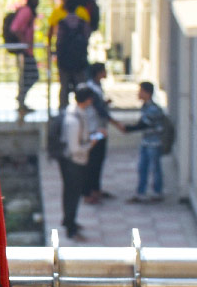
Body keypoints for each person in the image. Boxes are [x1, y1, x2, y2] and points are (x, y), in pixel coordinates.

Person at [59, 87, 101, 241]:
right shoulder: (73, 120)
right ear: (88, 100)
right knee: (72, 194)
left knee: (73, 194)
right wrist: (91, 144)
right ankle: (70, 229)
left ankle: (70, 221)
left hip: (78, 160)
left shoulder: (79, 113)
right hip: (72, 162)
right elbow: (74, 149)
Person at [46, 0, 93, 111]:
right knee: (80, 85)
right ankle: (82, 109)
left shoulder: (62, 22)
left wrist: (52, 49)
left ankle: (63, 111)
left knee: (64, 86)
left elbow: (55, 37)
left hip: (64, 59)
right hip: (79, 59)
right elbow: (87, 35)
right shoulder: (82, 19)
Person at [124, 81, 169, 202]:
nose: (138, 94)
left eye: (140, 91)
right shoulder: (146, 107)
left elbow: (144, 124)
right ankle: (141, 192)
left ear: (147, 93)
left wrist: (127, 129)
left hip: (154, 143)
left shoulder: (153, 109)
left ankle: (157, 192)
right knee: (142, 168)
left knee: (155, 168)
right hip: (146, 142)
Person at [80, 64, 118, 206]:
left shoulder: (97, 87)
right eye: (104, 71)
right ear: (98, 73)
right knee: (92, 162)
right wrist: (118, 125)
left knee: (98, 160)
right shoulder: (91, 88)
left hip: (100, 130)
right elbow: (100, 110)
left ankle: (96, 189)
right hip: (92, 131)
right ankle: (87, 193)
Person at [11, 0, 40, 113]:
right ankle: (21, 99)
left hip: (27, 51)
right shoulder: (26, 11)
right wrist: (24, 44)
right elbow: (15, 28)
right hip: (25, 52)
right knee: (32, 75)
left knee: (28, 76)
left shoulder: (30, 12)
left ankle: (22, 101)